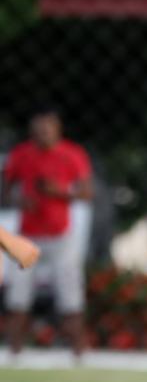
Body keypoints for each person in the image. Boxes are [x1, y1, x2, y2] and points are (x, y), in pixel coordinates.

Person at [2, 108, 94, 359]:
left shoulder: (72, 154)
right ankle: (14, 353)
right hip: (27, 235)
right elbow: (5, 190)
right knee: (18, 295)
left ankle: (78, 354)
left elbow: (87, 193)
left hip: (61, 235)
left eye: (48, 129)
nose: (43, 134)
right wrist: (18, 200)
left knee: (70, 294)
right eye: (38, 129)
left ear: (57, 130)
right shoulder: (21, 155)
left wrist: (60, 192)